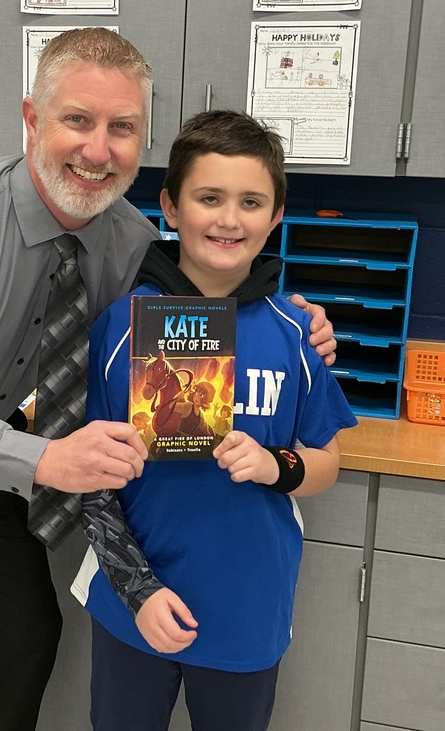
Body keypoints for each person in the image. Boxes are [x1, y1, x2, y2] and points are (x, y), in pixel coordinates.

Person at [0, 29, 336, 731]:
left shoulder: (131, 242)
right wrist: (49, 459)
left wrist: (294, 313)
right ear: (32, 119)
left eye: (123, 128)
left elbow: (207, 292)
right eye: (77, 120)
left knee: (27, 633)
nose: (98, 149)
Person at [76, 109, 358, 731]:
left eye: (252, 202)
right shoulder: (123, 327)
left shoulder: (296, 335)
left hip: (247, 607)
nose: (229, 219)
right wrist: (137, 591)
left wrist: (273, 465)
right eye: (209, 198)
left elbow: (327, 464)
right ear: (171, 208)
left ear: (276, 217)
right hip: (136, 602)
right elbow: (90, 476)